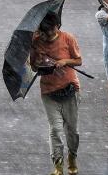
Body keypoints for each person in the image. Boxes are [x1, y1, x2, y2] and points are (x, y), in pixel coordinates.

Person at [30, 12, 82, 175]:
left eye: (50, 32)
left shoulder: (68, 38)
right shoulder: (36, 42)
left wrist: (65, 61)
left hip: (69, 88)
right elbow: (33, 66)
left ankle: (72, 157)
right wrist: (37, 62)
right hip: (48, 91)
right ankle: (58, 164)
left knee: (72, 130)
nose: (47, 36)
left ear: (57, 27)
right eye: (43, 33)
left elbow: (78, 60)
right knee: (55, 129)